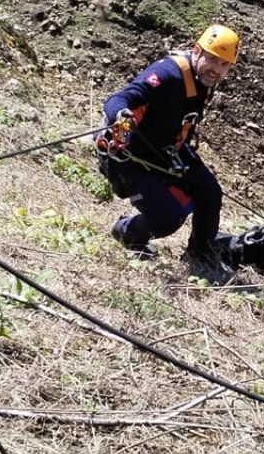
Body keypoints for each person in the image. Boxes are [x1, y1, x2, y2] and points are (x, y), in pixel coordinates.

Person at [98, 24, 239, 273]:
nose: (217, 69)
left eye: (224, 65)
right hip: (127, 156)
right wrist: (121, 114)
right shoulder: (167, 74)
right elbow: (119, 99)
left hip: (164, 150)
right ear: (197, 51)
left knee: (210, 192)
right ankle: (127, 232)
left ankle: (200, 253)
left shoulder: (203, 80)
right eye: (213, 59)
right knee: (168, 218)